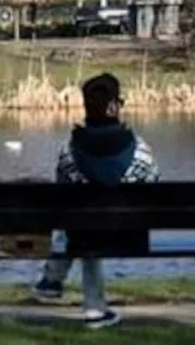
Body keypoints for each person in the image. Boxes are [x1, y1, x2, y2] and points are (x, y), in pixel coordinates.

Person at [31, 72, 159, 330]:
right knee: (89, 223)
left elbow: (61, 193)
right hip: (131, 235)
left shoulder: (69, 151)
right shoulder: (140, 150)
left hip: (84, 234)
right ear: (115, 106)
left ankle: (61, 287)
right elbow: (154, 181)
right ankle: (89, 308)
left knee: (82, 223)